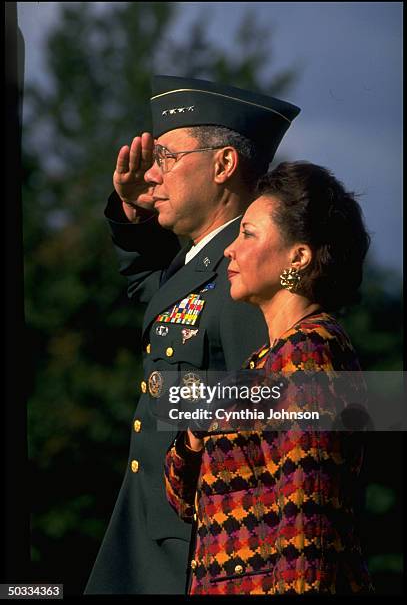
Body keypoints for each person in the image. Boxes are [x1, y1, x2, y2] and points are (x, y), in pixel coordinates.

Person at [84, 76, 300, 594]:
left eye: (167, 158)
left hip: (198, 551)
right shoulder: (203, 259)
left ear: (223, 165)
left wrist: (175, 402)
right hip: (155, 535)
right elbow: (157, 293)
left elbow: (279, 405)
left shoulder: (244, 274)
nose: (152, 175)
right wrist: (136, 215)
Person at [164, 161, 375, 595]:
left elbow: (308, 525)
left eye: (248, 234)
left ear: (298, 258)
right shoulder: (265, 361)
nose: (229, 250)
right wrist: (194, 431)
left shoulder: (309, 353)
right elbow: (186, 500)